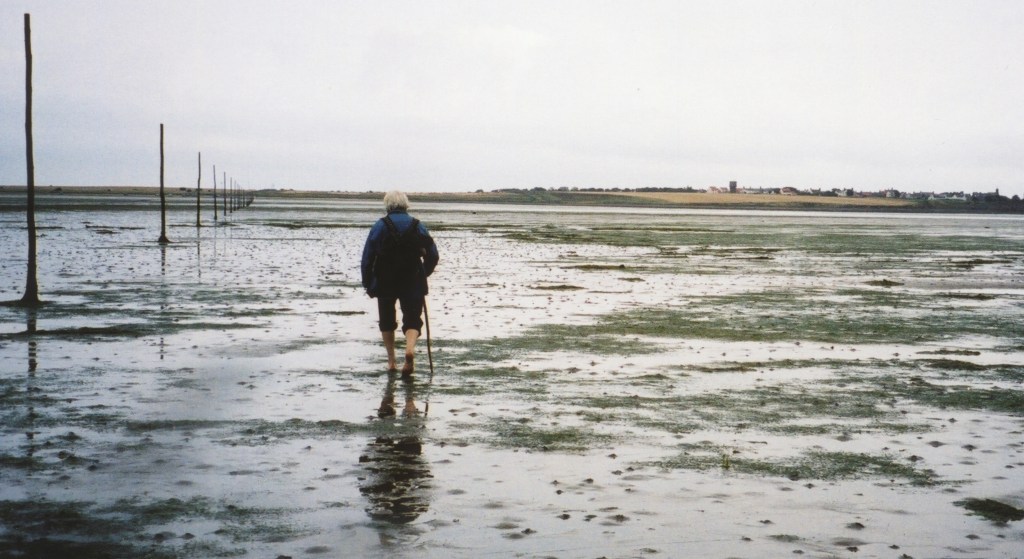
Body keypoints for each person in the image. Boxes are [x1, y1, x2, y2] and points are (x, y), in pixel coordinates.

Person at [361, 191, 439, 375]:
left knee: (386, 320)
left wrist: (368, 283)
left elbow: (367, 258)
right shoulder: (417, 225)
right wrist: (423, 273)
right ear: (406, 205)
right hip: (412, 278)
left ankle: (391, 362)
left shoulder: (380, 225)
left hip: (385, 279)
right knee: (412, 319)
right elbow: (433, 255)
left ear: (387, 205)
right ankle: (409, 350)